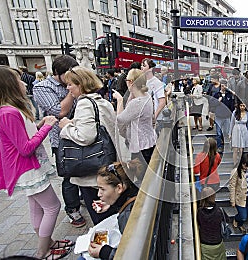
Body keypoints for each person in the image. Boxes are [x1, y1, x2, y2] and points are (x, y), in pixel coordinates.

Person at [0, 65, 73, 259]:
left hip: (29, 167)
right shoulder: (8, 113)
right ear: (9, 85)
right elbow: (26, 148)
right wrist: (46, 127)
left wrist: (38, 125)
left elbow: (21, 137)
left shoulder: (11, 110)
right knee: (52, 207)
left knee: (37, 207)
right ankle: (42, 251)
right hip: (27, 168)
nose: (23, 82)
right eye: (18, 79)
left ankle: (48, 242)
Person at [59, 66, 117, 225]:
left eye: (70, 84)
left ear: (81, 84)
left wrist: (66, 126)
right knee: (111, 212)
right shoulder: (102, 101)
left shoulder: (84, 103)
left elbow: (86, 136)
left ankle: (106, 245)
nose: (67, 87)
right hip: (107, 165)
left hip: (91, 172)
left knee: (100, 216)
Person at [33, 55, 86, 228]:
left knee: (85, 169)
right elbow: (59, 111)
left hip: (80, 134)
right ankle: (72, 209)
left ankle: (83, 197)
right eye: (68, 76)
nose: (71, 79)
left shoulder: (71, 83)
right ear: (57, 72)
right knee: (69, 176)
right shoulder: (42, 87)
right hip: (61, 140)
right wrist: (73, 91)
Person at [86, 160, 141, 259]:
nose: (98, 194)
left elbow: (134, 255)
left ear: (119, 188)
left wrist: (104, 252)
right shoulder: (135, 190)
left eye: (102, 189)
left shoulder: (128, 216)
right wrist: (111, 205)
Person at [113, 68, 156, 167]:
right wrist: (132, 91)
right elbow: (130, 109)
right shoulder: (147, 96)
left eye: (127, 81)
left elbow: (120, 119)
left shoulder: (137, 103)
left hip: (140, 146)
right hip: (148, 142)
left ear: (131, 82)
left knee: (141, 177)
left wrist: (119, 100)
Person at [229, 153, 248, 233]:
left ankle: (240, 224)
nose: (246, 167)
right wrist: (232, 200)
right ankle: (236, 219)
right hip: (240, 198)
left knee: (247, 213)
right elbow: (232, 186)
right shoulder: (236, 172)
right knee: (243, 216)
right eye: (244, 165)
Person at [197, 187, 227, 260]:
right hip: (218, 243)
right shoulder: (219, 211)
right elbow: (226, 220)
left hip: (205, 245)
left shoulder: (199, 212)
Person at [141, 58, 166, 127]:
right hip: (145, 117)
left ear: (150, 69)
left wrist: (154, 117)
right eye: (141, 65)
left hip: (155, 120)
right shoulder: (142, 81)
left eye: (144, 65)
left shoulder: (157, 82)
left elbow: (162, 102)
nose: (141, 67)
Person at [211, 79, 234, 152]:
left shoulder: (229, 94)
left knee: (227, 132)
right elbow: (212, 103)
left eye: (225, 85)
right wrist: (218, 101)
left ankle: (225, 144)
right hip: (219, 116)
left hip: (227, 116)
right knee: (218, 133)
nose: (224, 87)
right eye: (223, 85)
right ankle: (219, 146)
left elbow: (231, 105)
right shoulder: (217, 94)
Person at [229, 101, 248, 166]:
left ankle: (240, 163)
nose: (242, 107)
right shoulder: (235, 112)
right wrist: (230, 133)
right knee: (235, 149)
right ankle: (235, 164)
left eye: (243, 106)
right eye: (241, 105)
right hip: (236, 130)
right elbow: (232, 123)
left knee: (241, 149)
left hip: (244, 130)